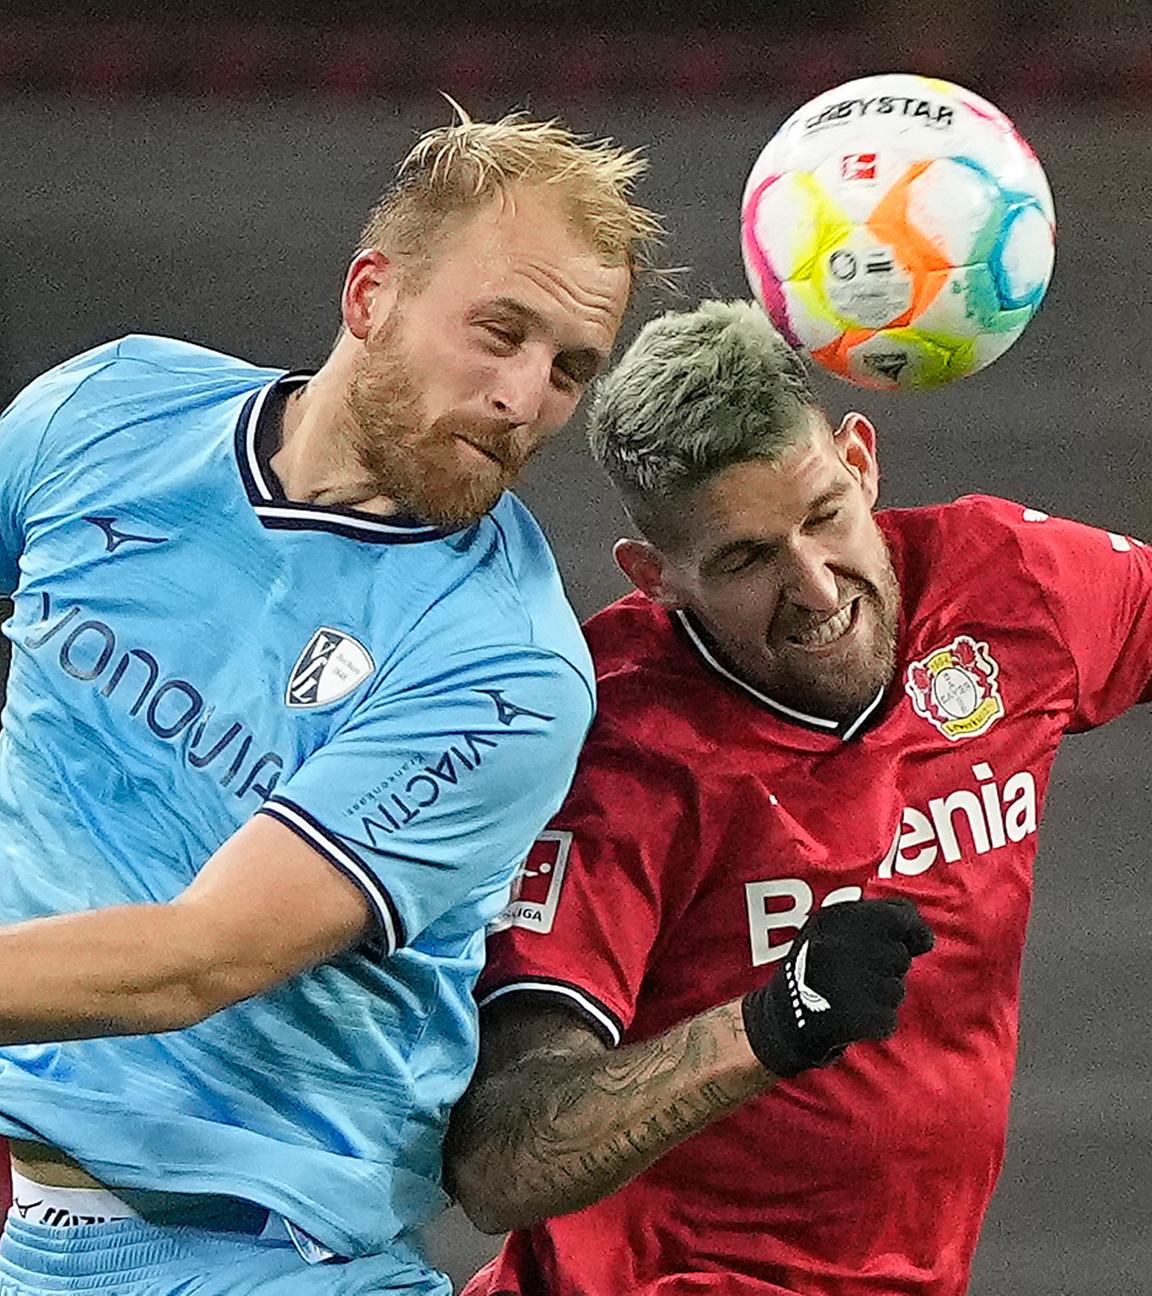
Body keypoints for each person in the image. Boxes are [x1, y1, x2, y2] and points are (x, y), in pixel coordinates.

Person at [0, 109, 659, 1294]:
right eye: (500, 332)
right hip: (39, 1240)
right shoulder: (104, 412)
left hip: (274, 1261)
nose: (525, 398)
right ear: (371, 297)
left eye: (569, 368)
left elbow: (194, 962)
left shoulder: (506, 670)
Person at [447, 299, 1152, 1296]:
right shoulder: (613, 754)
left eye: (824, 516)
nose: (819, 589)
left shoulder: (1008, 586)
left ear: (860, 460)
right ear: (658, 579)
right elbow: (500, 1157)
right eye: (744, 559)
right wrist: (774, 1023)